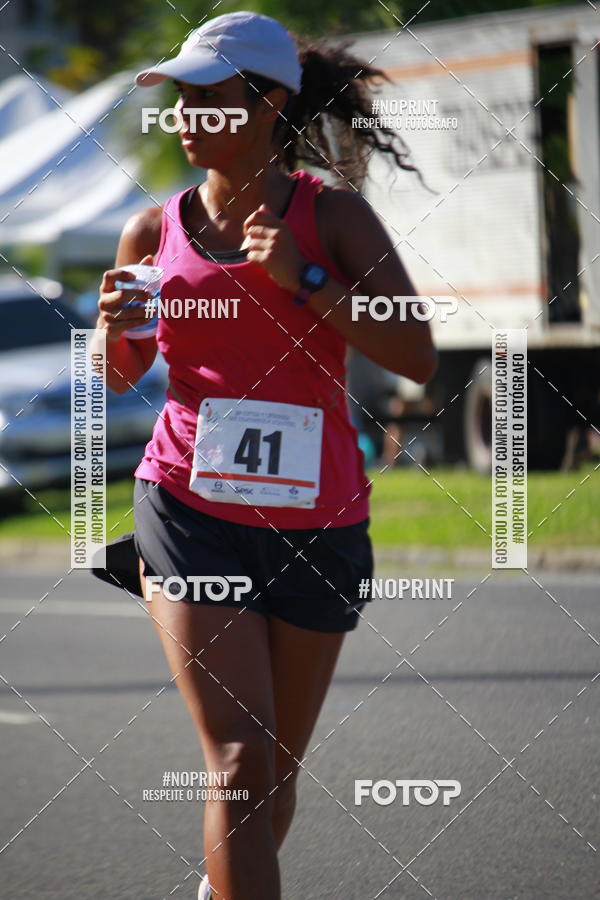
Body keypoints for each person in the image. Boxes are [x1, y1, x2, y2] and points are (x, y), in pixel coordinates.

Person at [93, 11, 437, 899]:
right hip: (187, 508)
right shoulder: (149, 233)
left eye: (208, 99)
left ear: (267, 102)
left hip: (316, 517)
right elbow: (125, 373)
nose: (185, 118)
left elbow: (416, 355)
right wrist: (112, 334)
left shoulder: (335, 218)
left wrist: (308, 281)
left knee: (272, 779)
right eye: (179, 102)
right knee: (240, 759)